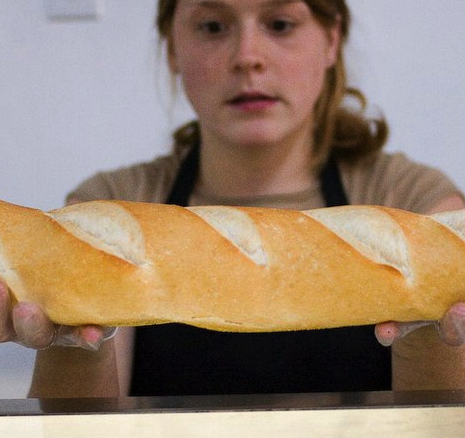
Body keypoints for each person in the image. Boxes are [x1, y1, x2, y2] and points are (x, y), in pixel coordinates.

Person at [1, 0, 465, 398]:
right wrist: (72, 344)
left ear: (330, 41)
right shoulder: (110, 205)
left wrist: (430, 334)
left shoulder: (415, 202)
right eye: (212, 26)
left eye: (280, 24)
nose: (248, 57)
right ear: (172, 49)